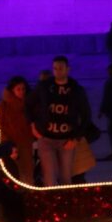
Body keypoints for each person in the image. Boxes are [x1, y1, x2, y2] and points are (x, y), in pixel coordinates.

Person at [31, 56, 92, 187]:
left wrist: (76, 137)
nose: (58, 71)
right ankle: (52, 203)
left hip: (66, 139)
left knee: (65, 176)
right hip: (46, 138)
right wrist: (33, 125)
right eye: (55, 68)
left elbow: (86, 114)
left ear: (67, 69)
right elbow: (29, 104)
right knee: (49, 177)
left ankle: (64, 203)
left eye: (60, 68)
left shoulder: (76, 89)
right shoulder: (45, 87)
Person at [0, 76, 35, 185]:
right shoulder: (3, 107)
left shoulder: (28, 105)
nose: (22, 92)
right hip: (10, 146)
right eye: (18, 89)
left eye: (23, 89)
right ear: (12, 90)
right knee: (13, 176)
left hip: (26, 145)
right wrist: (8, 145)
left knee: (27, 175)